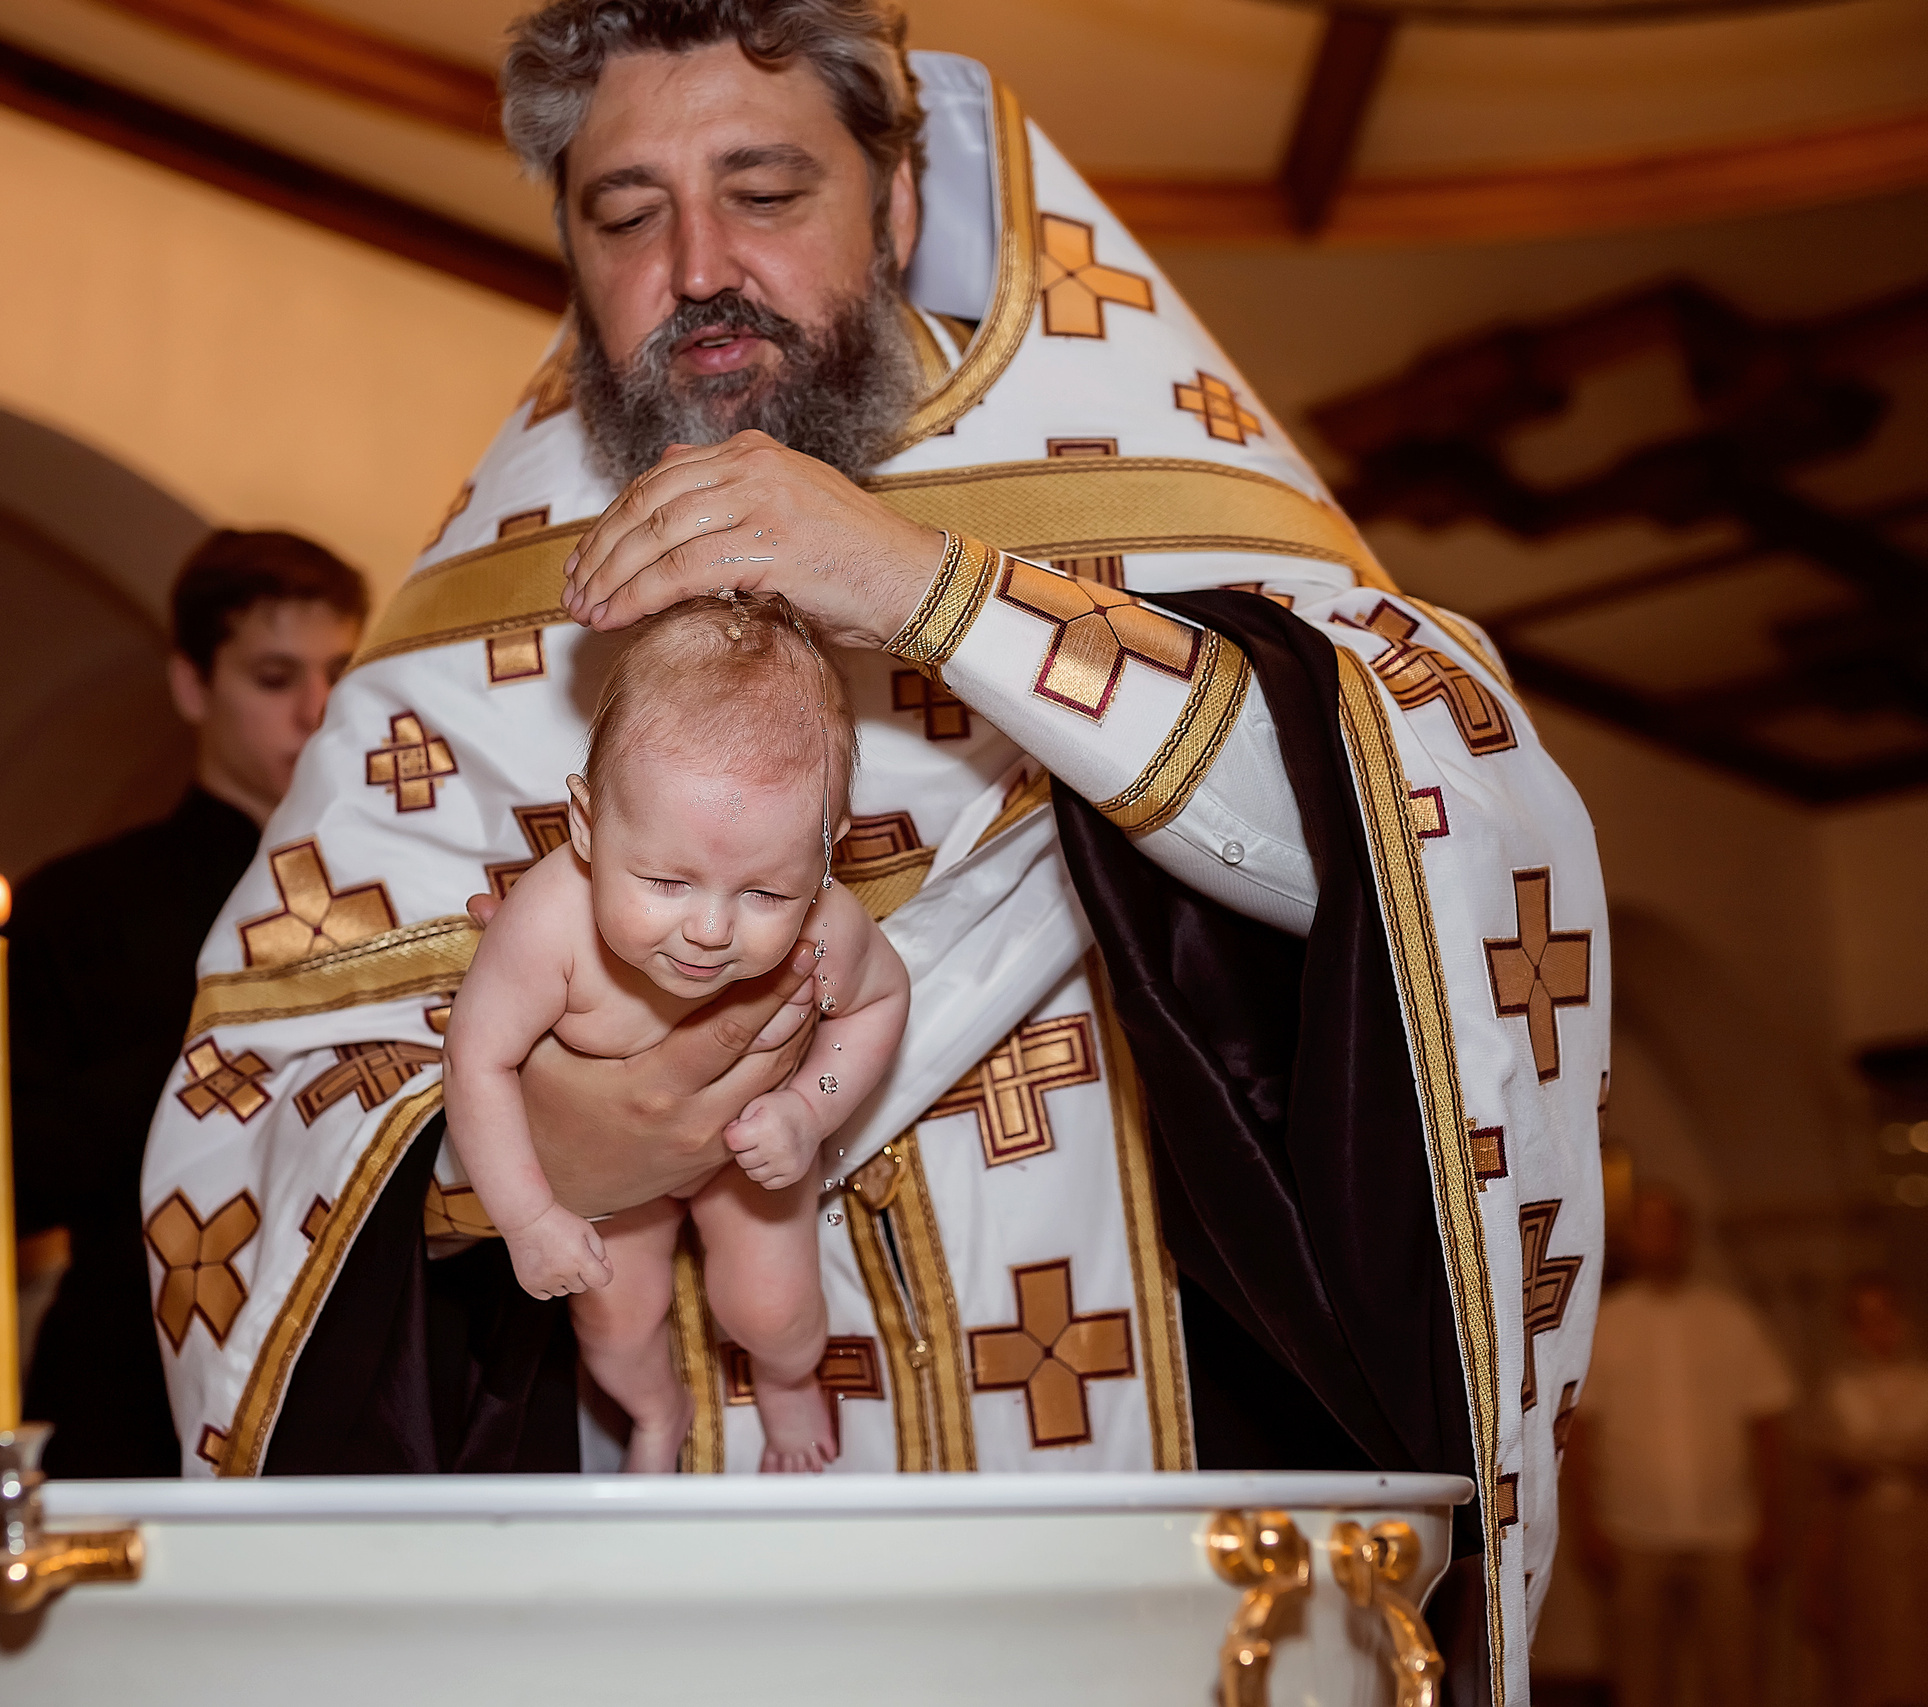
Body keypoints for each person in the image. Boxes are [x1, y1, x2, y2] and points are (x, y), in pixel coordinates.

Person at [140, 7, 1604, 1696]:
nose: (698, 267)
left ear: (897, 205)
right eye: (624, 214)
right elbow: (239, 1116)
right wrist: (529, 1158)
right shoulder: (471, 635)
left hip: (1129, 1524)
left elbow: (1457, 837)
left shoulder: (1152, 478)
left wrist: (936, 593)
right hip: (688, 1572)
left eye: (765, 188)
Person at [0, 529, 364, 1477]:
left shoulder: (409, 895)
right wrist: (214, 1047)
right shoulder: (80, 904)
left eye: (341, 671)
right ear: (193, 685)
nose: (319, 711)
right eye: (276, 677)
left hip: (353, 1390)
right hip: (128, 1394)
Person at [447, 594, 908, 1473]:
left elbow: (880, 1001)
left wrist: (810, 1110)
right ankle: (657, 1412)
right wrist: (528, 1213)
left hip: (747, 1156)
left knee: (772, 1309)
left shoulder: (824, 926)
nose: (709, 929)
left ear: (826, 852)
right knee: (615, 1324)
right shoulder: (549, 928)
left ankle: (785, 1380)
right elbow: (479, 1057)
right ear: (586, 825)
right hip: (597, 1173)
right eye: (663, 880)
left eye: (765, 892)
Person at [1563, 1186, 1790, 1707]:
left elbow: (1769, 1424)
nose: (1658, 1238)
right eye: (1647, 1225)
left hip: (1727, 1529)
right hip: (1633, 1531)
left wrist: (1772, 1522)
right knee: (1639, 1682)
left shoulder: (1732, 1319)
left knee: (1735, 1679)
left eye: (1668, 1225)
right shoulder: (1604, 1323)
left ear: (1686, 1236)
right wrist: (1588, 1525)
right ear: (1632, 1238)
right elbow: (1580, 1433)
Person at [1805, 1274, 1928, 1707]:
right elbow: (1827, 1484)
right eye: (1866, 1319)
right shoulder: (1840, 1391)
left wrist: (1879, 1454)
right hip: (1861, 1545)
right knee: (1866, 1664)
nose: (1879, 1330)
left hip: (1920, 1539)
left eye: (1887, 1316)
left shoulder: (1923, 1384)